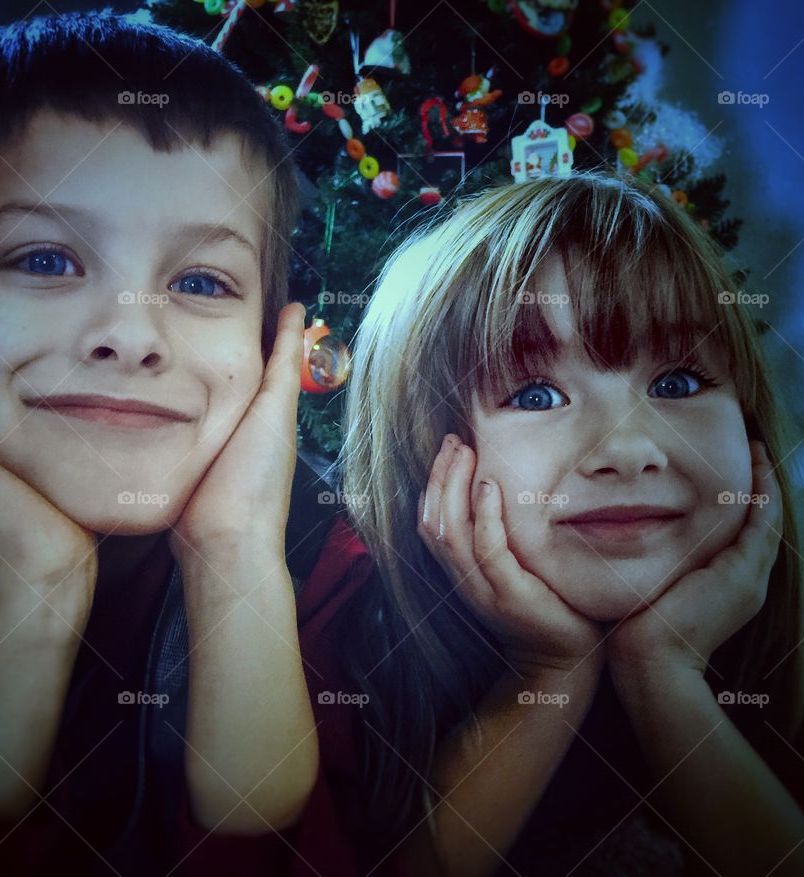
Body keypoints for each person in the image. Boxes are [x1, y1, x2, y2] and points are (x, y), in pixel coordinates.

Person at [0, 12, 392, 875]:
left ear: (271, 347)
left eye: (201, 281)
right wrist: (31, 595)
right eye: (47, 261)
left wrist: (235, 559)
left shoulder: (334, 557)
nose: (132, 338)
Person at [338, 170, 804, 875]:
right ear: (421, 458)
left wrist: (663, 676)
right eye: (535, 393)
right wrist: (549, 669)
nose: (625, 450)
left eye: (675, 383)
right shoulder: (348, 662)